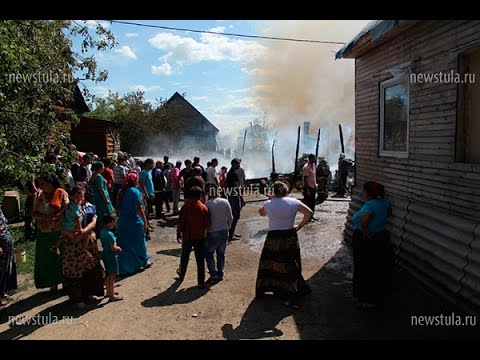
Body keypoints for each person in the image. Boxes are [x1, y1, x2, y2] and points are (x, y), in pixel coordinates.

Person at [256, 181, 312, 308]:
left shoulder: (269, 204)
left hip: (273, 237)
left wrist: (271, 199)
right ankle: (292, 292)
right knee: (290, 264)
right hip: (289, 236)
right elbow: (309, 213)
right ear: (287, 191)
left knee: (272, 264)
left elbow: (261, 213)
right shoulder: (294, 202)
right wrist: (300, 226)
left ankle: (274, 289)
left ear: (274, 192)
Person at [351, 181, 394, 308]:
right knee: (378, 267)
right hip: (381, 238)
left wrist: (364, 228)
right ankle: (378, 296)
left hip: (366, 240)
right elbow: (389, 213)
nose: (362, 193)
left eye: (364, 191)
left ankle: (366, 299)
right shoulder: (384, 203)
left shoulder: (369, 205)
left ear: (368, 193)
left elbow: (365, 218)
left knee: (364, 269)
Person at [32, 174, 69, 291]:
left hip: (60, 231)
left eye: (43, 184)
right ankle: (52, 283)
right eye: (40, 184)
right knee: (48, 259)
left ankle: (65, 281)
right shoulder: (38, 195)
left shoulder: (61, 192)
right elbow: (33, 213)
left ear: (51, 183)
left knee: (62, 257)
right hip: (44, 232)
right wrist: (44, 217)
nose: (41, 186)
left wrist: (58, 216)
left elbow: (67, 209)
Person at [117, 172, 152, 275]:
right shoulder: (135, 192)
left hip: (123, 222)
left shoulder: (121, 191)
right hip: (134, 222)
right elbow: (139, 209)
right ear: (134, 181)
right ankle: (143, 262)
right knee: (139, 243)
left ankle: (126, 267)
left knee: (125, 246)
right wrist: (145, 222)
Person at [176, 186, 211, 289]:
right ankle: (201, 282)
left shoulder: (185, 207)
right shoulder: (203, 208)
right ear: (200, 196)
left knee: (184, 257)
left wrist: (178, 233)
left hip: (187, 236)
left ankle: (182, 275)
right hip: (200, 237)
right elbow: (208, 224)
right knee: (200, 260)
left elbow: (181, 222)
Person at [205, 187, 233, 284]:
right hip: (223, 230)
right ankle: (220, 273)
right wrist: (228, 227)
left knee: (209, 253)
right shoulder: (225, 202)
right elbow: (230, 217)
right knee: (221, 254)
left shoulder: (207, 204)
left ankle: (213, 273)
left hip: (212, 231)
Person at [100, 214, 123, 302]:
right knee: (112, 276)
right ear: (110, 222)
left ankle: (109, 292)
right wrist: (119, 248)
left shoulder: (102, 232)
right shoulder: (110, 234)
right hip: (112, 256)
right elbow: (113, 247)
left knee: (108, 275)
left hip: (105, 255)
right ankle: (112, 295)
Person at [0, 208, 17, 306]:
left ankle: (3, 291)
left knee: (6, 267)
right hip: (1, 242)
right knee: (1, 269)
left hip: (5, 239)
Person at [302, 154, 317, 221]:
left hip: (313, 187)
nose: (315, 160)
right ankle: (307, 217)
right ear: (310, 159)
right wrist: (307, 190)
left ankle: (311, 216)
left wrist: (315, 185)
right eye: (314, 158)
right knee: (308, 203)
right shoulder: (306, 167)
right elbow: (305, 179)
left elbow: (313, 177)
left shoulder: (313, 165)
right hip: (308, 187)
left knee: (312, 203)